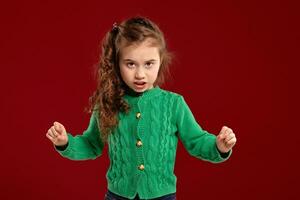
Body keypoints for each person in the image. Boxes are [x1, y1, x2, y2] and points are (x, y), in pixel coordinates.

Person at [46, 16, 237, 200]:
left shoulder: (174, 104)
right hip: (117, 195)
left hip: (162, 196)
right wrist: (65, 143)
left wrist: (218, 146)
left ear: (160, 61)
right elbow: (91, 144)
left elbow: (197, 141)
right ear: (117, 64)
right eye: (130, 64)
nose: (140, 74)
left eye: (148, 64)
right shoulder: (108, 102)